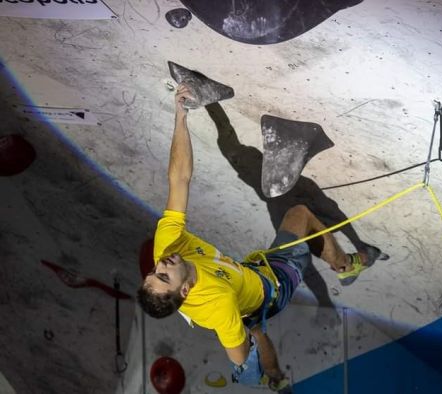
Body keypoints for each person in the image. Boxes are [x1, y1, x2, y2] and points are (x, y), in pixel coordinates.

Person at [137, 84, 382, 391]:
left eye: (152, 272)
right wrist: (247, 371)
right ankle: (348, 266)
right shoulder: (218, 304)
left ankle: (276, 381)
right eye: (164, 275)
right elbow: (240, 358)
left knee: (255, 330)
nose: (161, 263)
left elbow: (179, 178)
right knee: (300, 214)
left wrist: (180, 116)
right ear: (185, 289)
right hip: (272, 286)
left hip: (245, 293)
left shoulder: (168, 247)